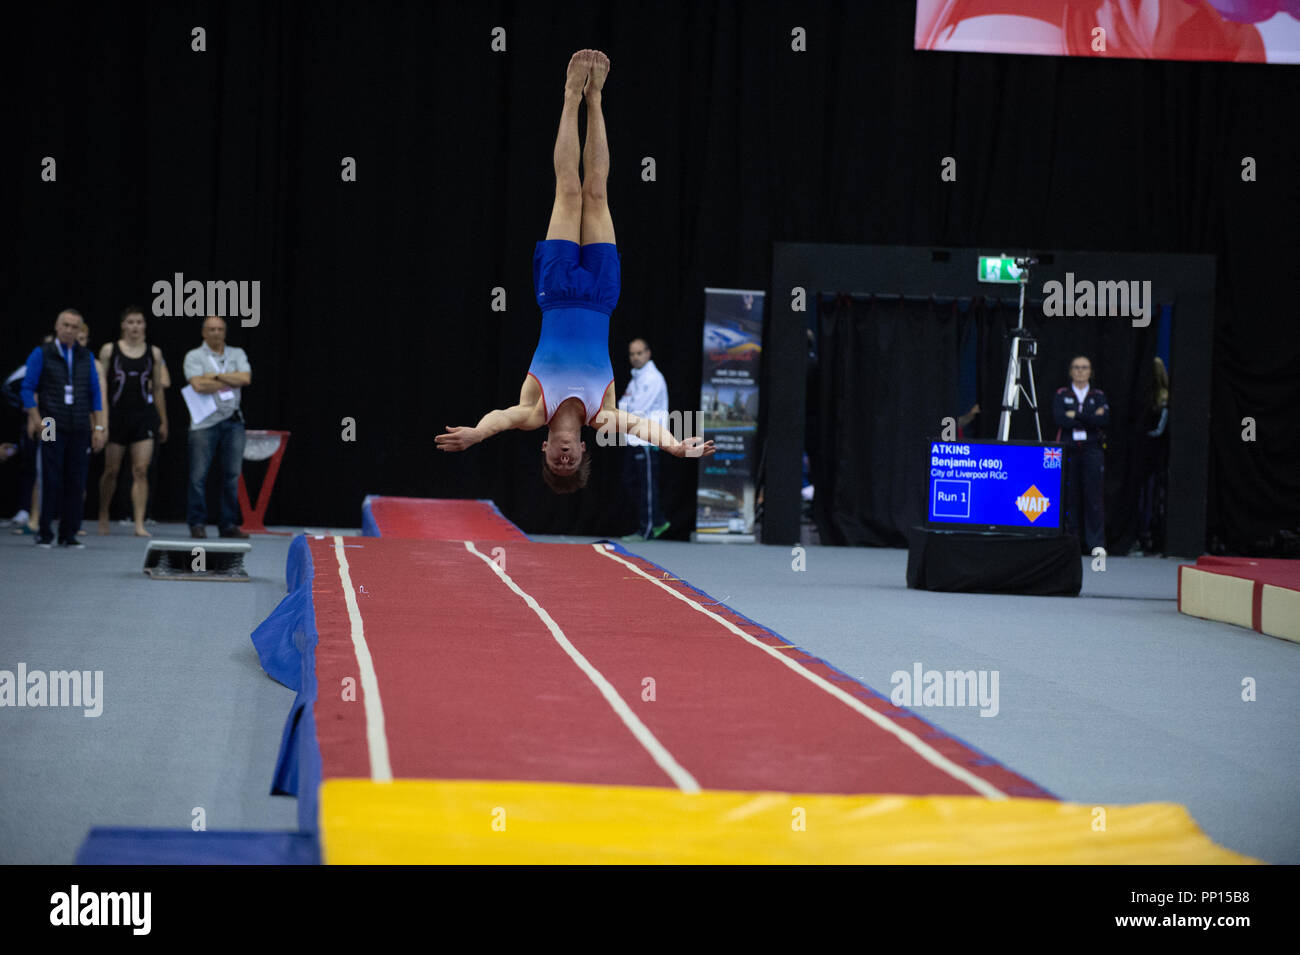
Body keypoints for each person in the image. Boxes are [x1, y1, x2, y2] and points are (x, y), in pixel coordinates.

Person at [436, 50, 714, 486]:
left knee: (568, 192)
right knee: (597, 193)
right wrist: (675, 446)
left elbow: (499, 418)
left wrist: (476, 434)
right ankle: (597, 99)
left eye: (555, 462)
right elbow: (640, 426)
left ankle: (570, 97)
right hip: (601, 296)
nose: (564, 457)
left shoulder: (534, 412)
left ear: (544, 448)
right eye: (571, 462)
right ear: (584, 449)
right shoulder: (601, 417)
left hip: (557, 291)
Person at [20, 309, 107, 547]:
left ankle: (69, 533)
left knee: (76, 479)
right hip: (50, 421)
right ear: (57, 327)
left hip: (79, 422)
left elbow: (94, 392)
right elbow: (27, 388)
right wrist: (36, 417)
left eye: (74, 327)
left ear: (80, 330)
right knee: (50, 476)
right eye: (65, 325)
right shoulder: (42, 353)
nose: (69, 330)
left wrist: (98, 426)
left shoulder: (85, 356)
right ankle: (44, 530)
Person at [98, 306, 171, 536]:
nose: (135, 326)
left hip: (143, 417)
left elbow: (158, 388)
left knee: (140, 470)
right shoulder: (110, 350)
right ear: (123, 325)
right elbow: (101, 388)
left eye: (139, 322)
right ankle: (103, 512)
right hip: (116, 416)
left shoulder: (154, 353)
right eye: (130, 322)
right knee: (111, 470)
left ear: (145, 325)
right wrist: (101, 421)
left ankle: (139, 522)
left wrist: (163, 420)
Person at [183, 315, 251, 538]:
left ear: (225, 332)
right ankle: (197, 522)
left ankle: (228, 524)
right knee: (198, 475)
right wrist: (229, 378)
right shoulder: (194, 356)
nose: (215, 333)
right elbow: (198, 385)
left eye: (220, 329)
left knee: (232, 475)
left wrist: (214, 375)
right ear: (204, 333)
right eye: (211, 329)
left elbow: (245, 379)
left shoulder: (237, 353)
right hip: (204, 423)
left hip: (233, 421)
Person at [1052, 355, 1109, 555]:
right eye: (1076, 367)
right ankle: (1071, 542)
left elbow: (1102, 421)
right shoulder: (1062, 394)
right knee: (1069, 496)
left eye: (1084, 367)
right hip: (1069, 448)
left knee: (1093, 497)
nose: (1080, 371)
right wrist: (1089, 418)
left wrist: (1075, 415)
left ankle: (1096, 544)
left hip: (1092, 449)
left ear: (1090, 372)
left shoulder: (1098, 395)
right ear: (1070, 371)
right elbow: (1060, 419)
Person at [619, 338, 671, 540]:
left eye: (639, 353)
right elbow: (623, 403)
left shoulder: (653, 378)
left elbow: (637, 408)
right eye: (632, 354)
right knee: (631, 483)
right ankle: (656, 520)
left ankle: (649, 528)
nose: (635, 357)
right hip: (634, 439)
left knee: (647, 487)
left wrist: (620, 413)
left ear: (648, 353)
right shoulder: (636, 378)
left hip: (648, 441)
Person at [1135, 356, 1170, 554]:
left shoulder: (1164, 398)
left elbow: (1159, 430)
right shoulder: (1144, 396)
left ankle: (1150, 535)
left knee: (1153, 495)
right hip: (1144, 455)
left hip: (1155, 455)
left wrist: (1144, 436)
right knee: (1144, 495)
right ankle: (1142, 533)